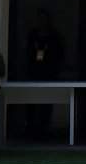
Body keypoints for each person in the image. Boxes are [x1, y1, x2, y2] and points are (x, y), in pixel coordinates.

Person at [22, 9, 64, 138]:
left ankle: (44, 128)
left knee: (47, 101)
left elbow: (59, 54)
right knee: (31, 101)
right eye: (40, 19)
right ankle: (30, 127)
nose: (42, 22)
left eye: (44, 19)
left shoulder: (54, 36)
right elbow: (27, 52)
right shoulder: (33, 35)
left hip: (49, 73)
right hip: (33, 73)